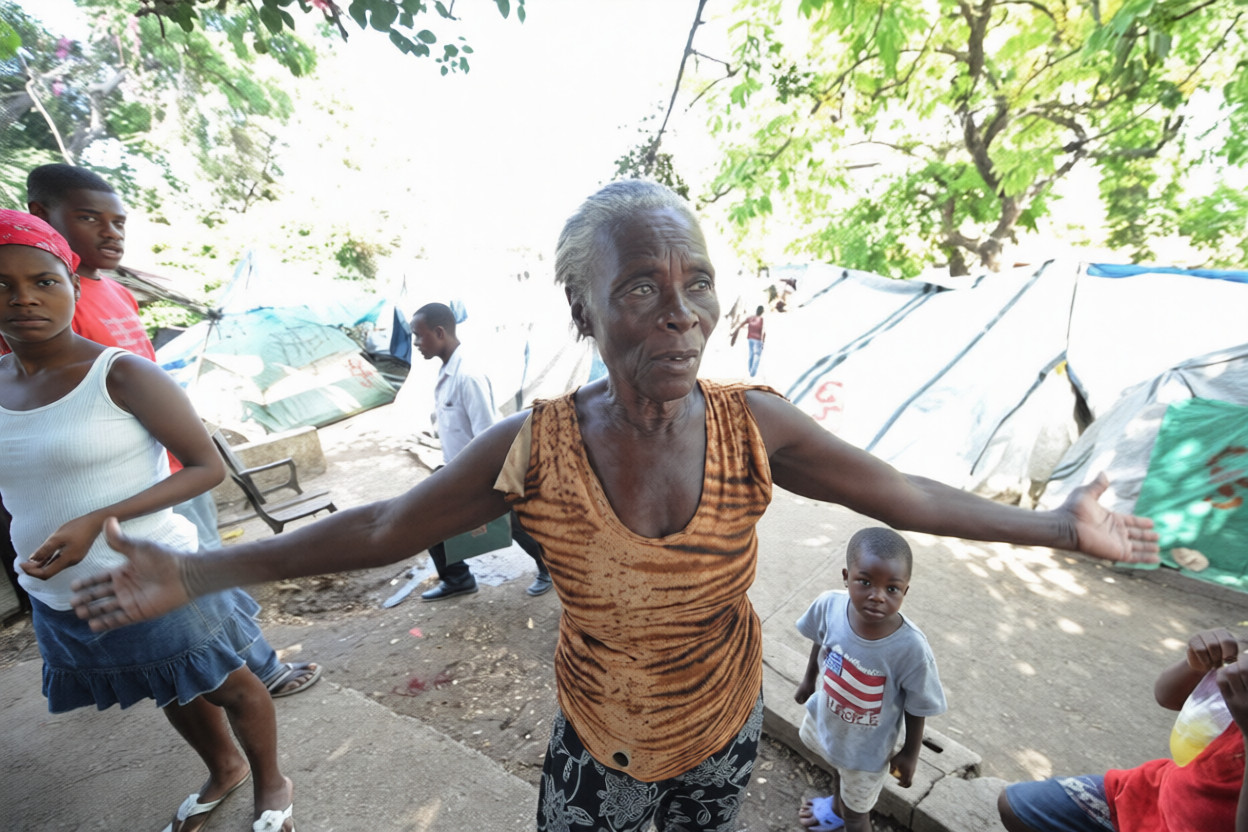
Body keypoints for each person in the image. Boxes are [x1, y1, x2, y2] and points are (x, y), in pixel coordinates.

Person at [70, 179, 1160, 832]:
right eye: (640, 286)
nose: (679, 315)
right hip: (600, 742)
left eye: (696, 284)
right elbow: (381, 525)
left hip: (725, 725)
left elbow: (904, 492)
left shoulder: (754, 426)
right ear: (584, 305)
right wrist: (197, 570)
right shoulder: (531, 451)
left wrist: (1061, 525)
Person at [0, 210, 294, 832]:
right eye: (1, 285)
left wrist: (95, 520)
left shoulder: (121, 374)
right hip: (60, 590)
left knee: (227, 684)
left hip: (151, 573)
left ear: (73, 287)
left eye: (43, 281)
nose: (23, 298)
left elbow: (205, 467)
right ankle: (224, 769)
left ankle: (271, 779)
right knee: (169, 686)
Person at [15, 163, 322, 699]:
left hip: (169, 465)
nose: (111, 234)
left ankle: (253, 671)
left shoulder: (114, 291)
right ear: (42, 216)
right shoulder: (41, 310)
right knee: (184, 588)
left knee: (203, 577)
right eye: (90, 218)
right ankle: (249, 674)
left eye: (119, 222)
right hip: (113, 485)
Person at [997, 626, 1247, 832]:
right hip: (1153, 794)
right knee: (1016, 806)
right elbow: (1167, 696)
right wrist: (1195, 664)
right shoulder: (1242, 661)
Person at [794, 527, 945, 832]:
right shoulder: (830, 605)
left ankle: (844, 813)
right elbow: (820, 640)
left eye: (892, 589)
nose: (877, 597)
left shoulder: (911, 648)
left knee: (857, 815)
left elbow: (919, 705)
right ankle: (835, 807)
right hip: (831, 722)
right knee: (836, 766)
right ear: (846, 576)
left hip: (867, 751)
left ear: (906, 591)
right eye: (864, 582)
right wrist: (809, 680)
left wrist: (910, 754)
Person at [409, 302, 552, 599]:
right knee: (425, 517)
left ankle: (550, 567)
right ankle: (457, 578)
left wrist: (486, 485)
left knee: (515, 523)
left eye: (418, 336)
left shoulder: (468, 376)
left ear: (439, 332)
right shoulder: (448, 371)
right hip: (456, 469)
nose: (415, 343)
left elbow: (487, 434)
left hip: (479, 472)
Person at [732, 305, 766, 377]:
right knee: (757, 356)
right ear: (762, 312)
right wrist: (763, 342)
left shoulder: (750, 318)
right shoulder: (761, 319)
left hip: (750, 339)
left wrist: (744, 328)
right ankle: (753, 372)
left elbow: (741, 324)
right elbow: (763, 332)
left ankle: (750, 370)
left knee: (751, 355)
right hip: (758, 340)